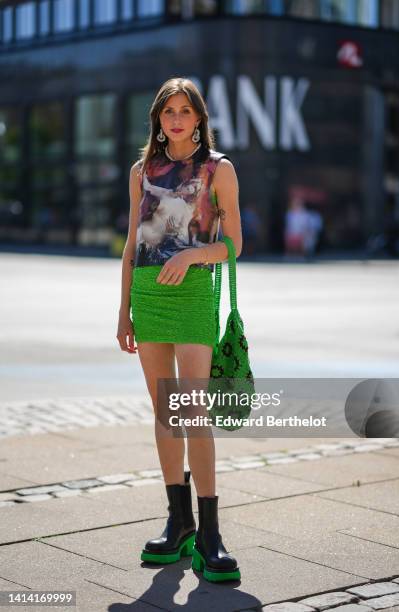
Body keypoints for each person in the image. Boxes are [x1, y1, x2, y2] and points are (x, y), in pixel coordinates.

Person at [116, 77, 243, 583]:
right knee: (165, 414)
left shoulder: (219, 169)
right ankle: (178, 522)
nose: (175, 119)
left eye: (184, 111)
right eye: (167, 111)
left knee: (193, 411)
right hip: (147, 295)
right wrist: (123, 309)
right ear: (158, 118)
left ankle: (210, 532)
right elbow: (131, 243)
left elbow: (235, 244)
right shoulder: (140, 170)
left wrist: (193, 254)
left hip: (193, 294)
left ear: (198, 118)